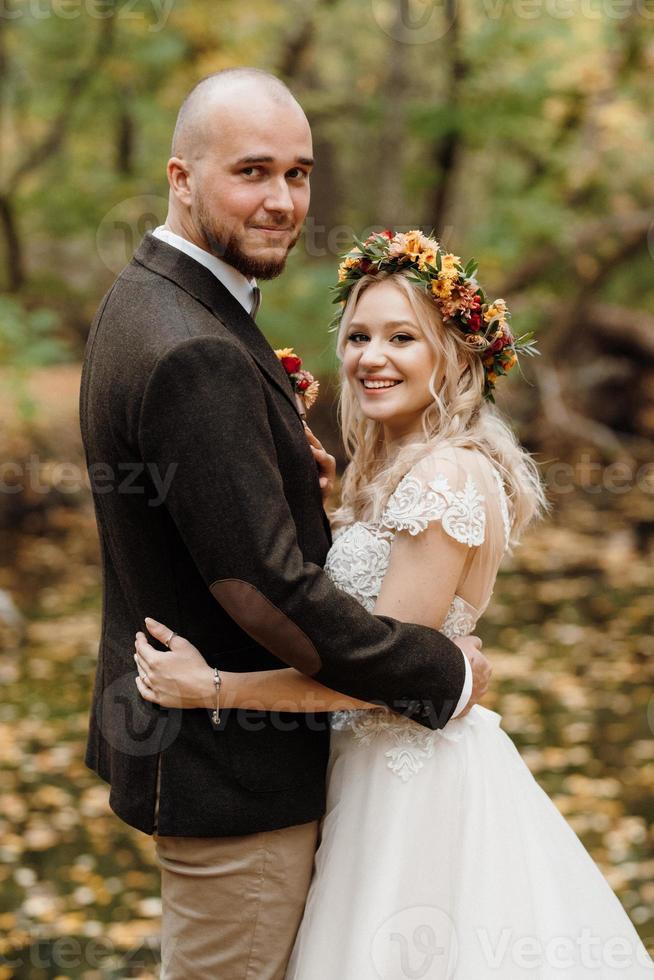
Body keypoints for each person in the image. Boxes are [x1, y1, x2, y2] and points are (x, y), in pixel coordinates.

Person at [136, 230, 654, 978]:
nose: (370, 357)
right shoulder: (396, 469)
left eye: (402, 337)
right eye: (358, 336)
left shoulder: (441, 479)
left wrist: (212, 689)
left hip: (412, 797)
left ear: (452, 353)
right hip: (368, 776)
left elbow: (386, 676)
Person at [80, 70, 489, 980]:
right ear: (182, 178)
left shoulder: (148, 299)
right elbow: (264, 589)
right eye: (252, 172)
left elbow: (205, 514)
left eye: (298, 175)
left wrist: (286, 481)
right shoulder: (192, 344)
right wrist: (441, 674)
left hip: (219, 766)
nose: (281, 201)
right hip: (237, 788)